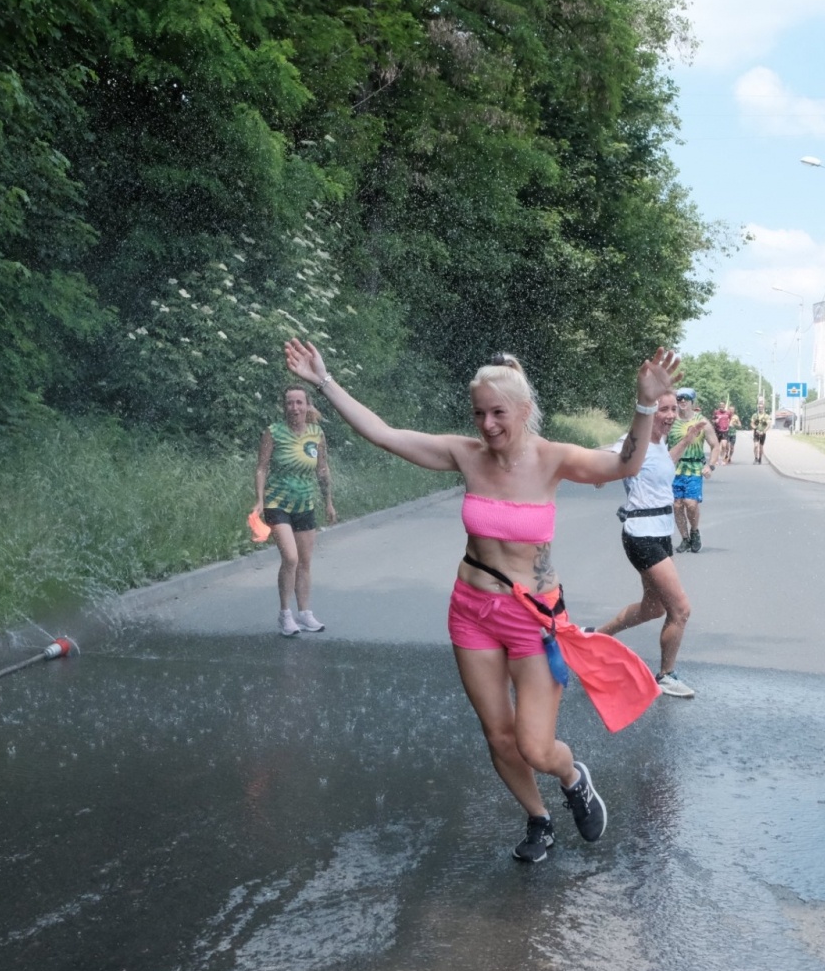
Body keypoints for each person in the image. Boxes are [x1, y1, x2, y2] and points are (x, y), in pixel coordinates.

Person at [283, 338, 681, 862]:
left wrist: (646, 404)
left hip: (533, 619)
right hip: (471, 611)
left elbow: (625, 466)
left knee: (536, 745)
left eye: (498, 413)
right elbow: (383, 434)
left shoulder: (552, 459)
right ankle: (539, 818)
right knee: (498, 735)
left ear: (523, 410)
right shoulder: (465, 455)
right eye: (479, 414)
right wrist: (325, 381)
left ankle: (571, 776)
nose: (487, 425)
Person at [597, 391, 697, 697]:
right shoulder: (634, 442)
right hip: (642, 534)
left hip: (661, 532)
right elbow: (608, 463)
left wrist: (685, 441)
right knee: (680, 609)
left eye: (672, 409)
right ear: (647, 414)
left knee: (653, 608)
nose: (670, 415)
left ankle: (595, 638)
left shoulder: (660, 442)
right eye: (662, 410)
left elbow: (661, 466)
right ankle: (666, 675)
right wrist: (600, 473)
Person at [255, 385, 337, 637]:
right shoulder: (273, 432)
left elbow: (322, 470)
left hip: (305, 504)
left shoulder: (316, 433)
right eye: (290, 403)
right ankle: (285, 615)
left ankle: (304, 613)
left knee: (304, 562)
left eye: (299, 403)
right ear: (284, 406)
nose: (294, 408)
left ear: (307, 405)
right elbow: (261, 468)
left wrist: (328, 502)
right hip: (277, 503)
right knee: (290, 558)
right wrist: (259, 501)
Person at [668, 388, 717, 553]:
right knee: (676, 505)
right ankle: (685, 539)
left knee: (690, 503)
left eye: (686, 398)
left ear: (692, 401)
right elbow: (659, 443)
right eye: (679, 398)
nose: (682, 401)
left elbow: (715, 445)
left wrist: (710, 465)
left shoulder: (701, 422)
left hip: (695, 468)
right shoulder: (671, 421)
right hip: (674, 469)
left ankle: (695, 532)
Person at [750, 398, 773, 465]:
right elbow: (752, 423)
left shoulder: (766, 416)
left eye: (761, 407)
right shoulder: (755, 415)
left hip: (763, 433)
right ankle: (756, 458)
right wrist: (755, 429)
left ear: (763, 407)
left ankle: (760, 458)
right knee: (756, 446)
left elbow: (768, 425)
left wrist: (763, 431)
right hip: (756, 433)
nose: (760, 408)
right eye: (759, 407)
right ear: (758, 407)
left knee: (761, 447)